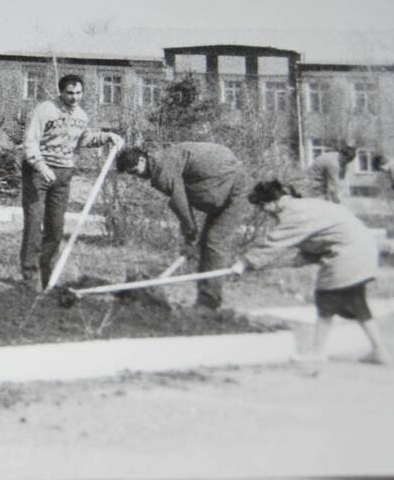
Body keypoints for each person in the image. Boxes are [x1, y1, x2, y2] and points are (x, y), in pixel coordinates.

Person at [231, 179, 391, 365]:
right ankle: (380, 352)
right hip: (361, 251)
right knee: (357, 305)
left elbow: (274, 242)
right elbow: (304, 255)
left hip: (347, 254)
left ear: (272, 202)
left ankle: (317, 353)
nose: (262, 210)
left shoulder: (294, 214)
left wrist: (244, 263)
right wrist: (258, 266)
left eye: (261, 205)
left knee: (326, 298)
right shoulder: (301, 207)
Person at [116, 142, 248, 310]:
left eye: (135, 172)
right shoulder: (162, 160)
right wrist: (191, 238)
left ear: (142, 160)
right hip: (222, 188)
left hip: (235, 191)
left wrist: (190, 235)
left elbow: (181, 204)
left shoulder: (162, 169)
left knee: (214, 242)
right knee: (208, 242)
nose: (137, 177)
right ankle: (207, 299)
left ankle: (208, 303)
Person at [21, 74, 123, 290]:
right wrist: (40, 166)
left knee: (56, 230)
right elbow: (30, 141)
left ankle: (48, 279)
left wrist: (107, 136)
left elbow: (84, 139)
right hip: (38, 173)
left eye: (78, 93)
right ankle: (30, 279)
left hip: (63, 175)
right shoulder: (45, 110)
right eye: (70, 93)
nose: (74, 97)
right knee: (33, 226)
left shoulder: (82, 115)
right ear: (61, 92)